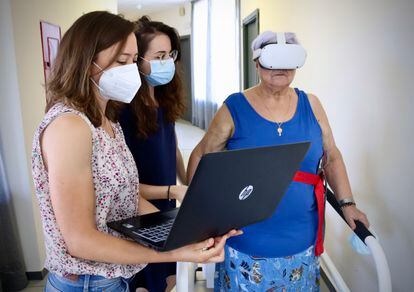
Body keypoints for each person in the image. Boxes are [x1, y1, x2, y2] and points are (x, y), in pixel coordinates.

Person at [32, 11, 240, 291]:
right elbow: (80, 240)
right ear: (85, 60)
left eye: (132, 61)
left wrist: (187, 233)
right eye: (121, 61)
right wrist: (173, 253)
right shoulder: (69, 126)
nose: (131, 71)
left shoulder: (108, 121)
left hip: (115, 277)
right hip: (87, 283)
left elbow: (128, 195)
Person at [187, 31, 370, 291]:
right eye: (273, 60)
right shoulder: (234, 107)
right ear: (257, 63)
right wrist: (198, 216)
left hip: (301, 240)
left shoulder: (312, 104)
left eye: (288, 60)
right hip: (246, 241)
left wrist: (348, 204)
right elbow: (201, 157)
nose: (281, 68)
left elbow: (332, 157)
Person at [118, 16, 187, 292]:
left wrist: (190, 182)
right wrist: (173, 191)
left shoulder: (161, 99)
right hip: (139, 213)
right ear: (138, 61)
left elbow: (172, 148)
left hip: (167, 208)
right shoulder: (122, 110)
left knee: (169, 281)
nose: (167, 62)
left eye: (170, 55)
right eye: (159, 56)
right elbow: (122, 187)